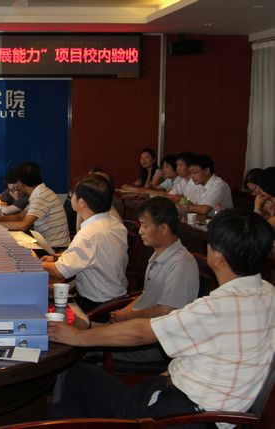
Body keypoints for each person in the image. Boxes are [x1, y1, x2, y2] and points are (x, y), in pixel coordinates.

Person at [46, 209, 275, 423]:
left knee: (76, 377)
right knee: (81, 390)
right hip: (201, 402)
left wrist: (77, 337)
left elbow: (142, 334)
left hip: (184, 415)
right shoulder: (268, 293)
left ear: (218, 257)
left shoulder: (217, 307)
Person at [106, 197, 199, 362]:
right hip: (141, 328)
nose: (140, 231)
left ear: (163, 228)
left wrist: (128, 317)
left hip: (157, 343)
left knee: (88, 346)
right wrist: (122, 313)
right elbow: (146, 296)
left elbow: (166, 311)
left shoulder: (182, 263)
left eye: (145, 226)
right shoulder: (158, 254)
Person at [42, 174, 128, 315]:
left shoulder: (89, 234)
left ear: (82, 202)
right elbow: (95, 254)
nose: (71, 197)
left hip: (97, 304)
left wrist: (35, 262)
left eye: (73, 194)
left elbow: (59, 271)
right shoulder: (115, 223)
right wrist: (56, 258)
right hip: (117, 297)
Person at [0, 162, 70, 249]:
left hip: (55, 249)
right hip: (48, 245)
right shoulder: (39, 192)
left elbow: (24, 225)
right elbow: (20, 217)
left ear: (20, 183)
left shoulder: (40, 196)